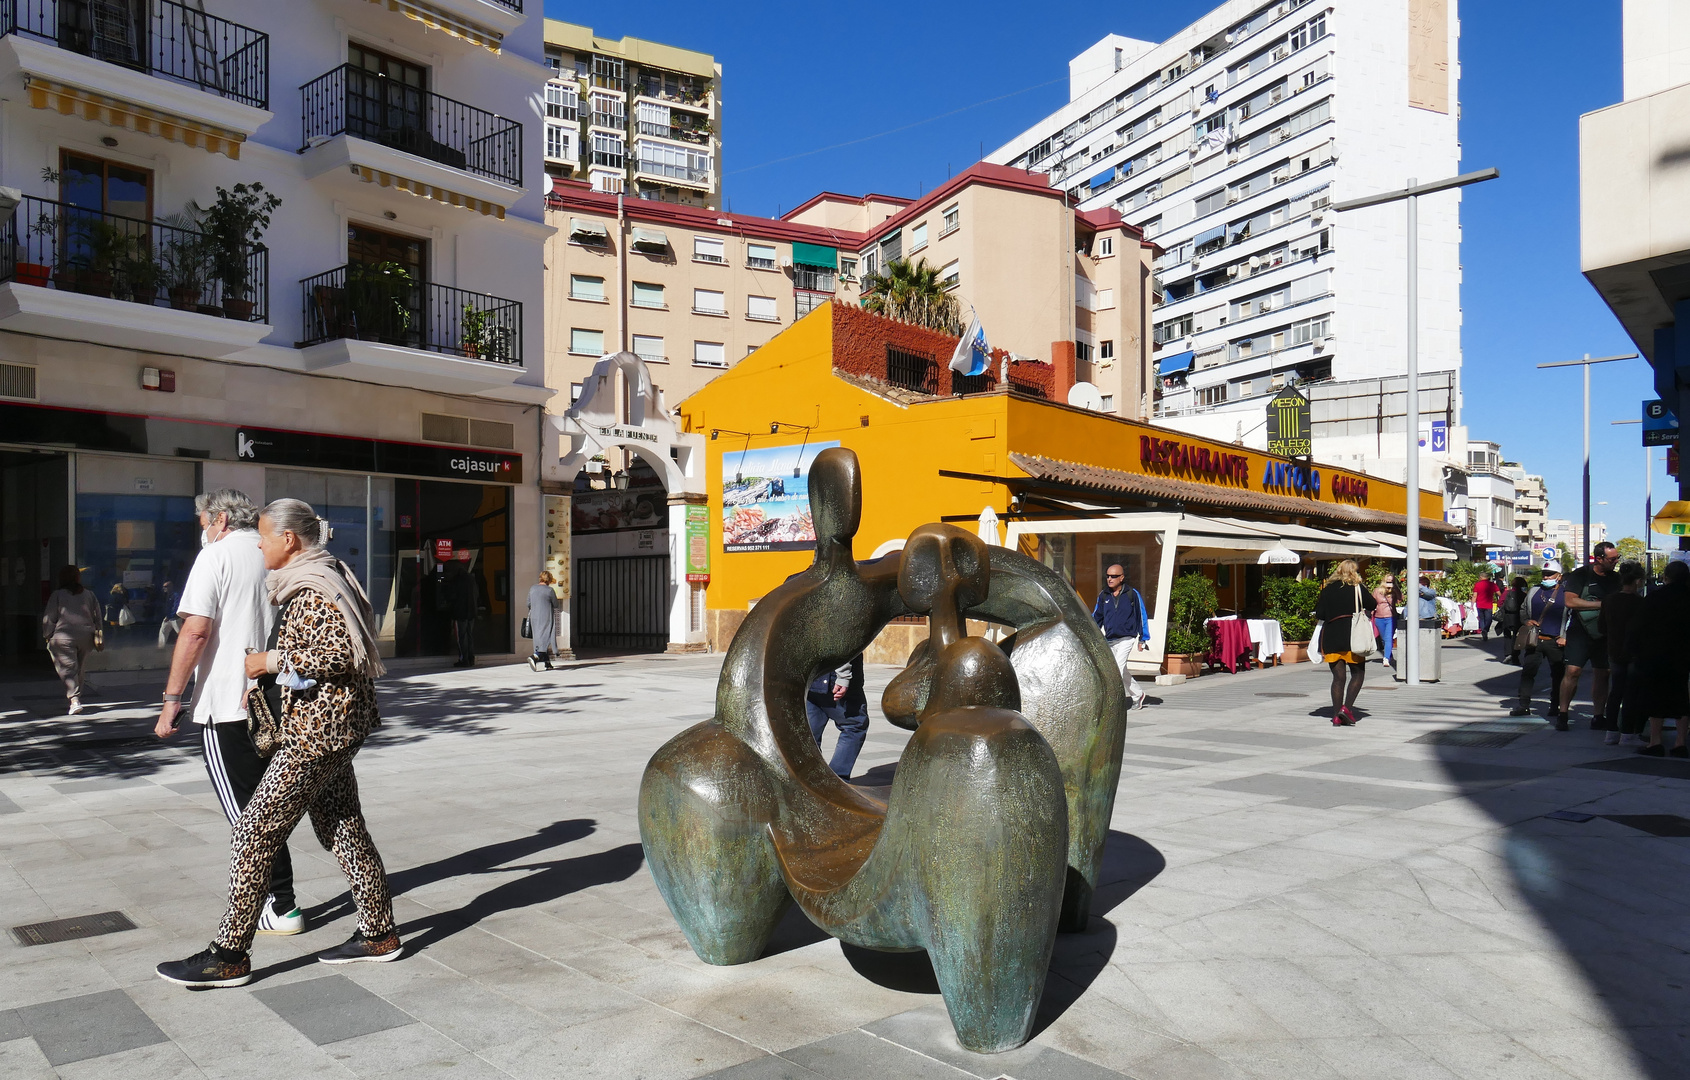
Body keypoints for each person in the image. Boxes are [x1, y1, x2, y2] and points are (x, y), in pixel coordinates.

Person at [157, 499, 400, 988]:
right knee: (343, 827)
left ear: (289, 540)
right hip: (337, 728)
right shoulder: (327, 572)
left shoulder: (311, 587)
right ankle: (379, 933)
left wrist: (268, 662)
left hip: (315, 734)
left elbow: (336, 653)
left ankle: (229, 955)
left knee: (254, 832)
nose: (260, 544)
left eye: (265, 537)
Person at [154, 490, 301, 936]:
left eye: (202, 521)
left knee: (247, 814)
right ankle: (282, 900)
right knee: (264, 805)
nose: (202, 530)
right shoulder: (270, 551)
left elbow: (196, 630)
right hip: (272, 699)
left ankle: (278, 903)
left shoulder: (216, 556)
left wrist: (171, 699)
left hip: (226, 703)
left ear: (219, 518)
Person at [1557, 541, 1620, 728]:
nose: (1615, 561)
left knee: (1603, 674)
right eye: (1612, 558)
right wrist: (1600, 604)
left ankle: (1598, 716)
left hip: (1605, 633)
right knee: (1573, 671)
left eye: (1617, 557)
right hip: (1580, 631)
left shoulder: (1616, 579)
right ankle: (1563, 713)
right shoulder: (1581, 575)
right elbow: (1570, 601)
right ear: (1599, 558)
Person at [1632, 559, 1690, 757]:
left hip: (1655, 655)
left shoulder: (1655, 598)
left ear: (1666, 577)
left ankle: (1655, 742)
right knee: (1682, 697)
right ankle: (1680, 742)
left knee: (1654, 696)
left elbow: (1639, 627)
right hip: (1683, 656)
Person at [41, 565, 103, 715]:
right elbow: (98, 617)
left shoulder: (57, 595)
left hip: (63, 637)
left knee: (68, 669)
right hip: (86, 637)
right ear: (77, 577)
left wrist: (47, 635)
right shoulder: (89, 595)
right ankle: (76, 698)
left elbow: (50, 617)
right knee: (79, 669)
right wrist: (98, 633)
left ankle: (74, 700)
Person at [1314, 560, 1369, 726]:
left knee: (1338, 677)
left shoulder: (1328, 589)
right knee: (1358, 674)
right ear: (1354, 572)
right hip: (1353, 636)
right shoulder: (1358, 588)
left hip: (1332, 636)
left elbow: (1320, 613)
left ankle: (1336, 716)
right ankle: (1346, 709)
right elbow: (1372, 604)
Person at [1513, 562, 1569, 723]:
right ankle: (1523, 704)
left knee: (1558, 675)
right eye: (1544, 573)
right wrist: (1526, 620)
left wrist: (1564, 636)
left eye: (1550, 574)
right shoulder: (1534, 591)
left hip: (1556, 641)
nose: (1546, 576)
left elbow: (1571, 615)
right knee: (1528, 672)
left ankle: (1556, 705)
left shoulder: (1566, 593)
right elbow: (1523, 609)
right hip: (1535, 639)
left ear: (1559, 576)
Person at [1598, 561, 1646, 746]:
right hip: (1635, 652)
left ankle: (1611, 731)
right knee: (1631, 693)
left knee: (1615, 691)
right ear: (1638, 581)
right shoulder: (1640, 603)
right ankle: (1628, 732)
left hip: (1614, 650)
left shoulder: (1609, 600)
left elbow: (1601, 627)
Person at [1092, 563, 1150, 710]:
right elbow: (1096, 617)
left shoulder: (1132, 594)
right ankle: (1138, 695)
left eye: (1114, 576)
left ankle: (1113, 703)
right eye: (1108, 576)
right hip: (1110, 639)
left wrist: (1143, 638)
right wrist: (1091, 634)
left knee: (1116, 669)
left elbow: (1141, 616)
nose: (1110, 579)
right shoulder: (1104, 595)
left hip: (1127, 637)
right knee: (1121, 670)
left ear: (1122, 577)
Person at [806, 652, 869, 779]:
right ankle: (835, 781)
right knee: (855, 725)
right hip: (834, 678)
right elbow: (842, 641)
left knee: (809, 732)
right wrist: (843, 676)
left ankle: (810, 780)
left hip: (813, 675)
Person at [443, 556, 477, 668]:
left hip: (460, 612)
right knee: (469, 635)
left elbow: (451, 596)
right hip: (471, 611)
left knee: (461, 637)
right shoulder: (471, 579)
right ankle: (471, 658)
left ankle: (464, 659)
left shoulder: (456, 580)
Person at [526, 570, 560, 671]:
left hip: (535, 618)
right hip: (546, 617)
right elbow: (556, 604)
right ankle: (535, 656)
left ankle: (548, 664)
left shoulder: (532, 588)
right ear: (549, 579)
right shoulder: (549, 590)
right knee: (546, 638)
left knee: (539, 639)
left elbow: (528, 603)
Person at [1498, 575, 1529, 664]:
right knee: (1517, 637)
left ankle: (1507, 654)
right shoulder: (1524, 595)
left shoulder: (1507, 593)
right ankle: (1515, 656)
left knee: (1507, 636)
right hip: (1518, 618)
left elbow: (1500, 603)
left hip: (1507, 617)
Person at [1371, 576, 1396, 667]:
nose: (1389, 583)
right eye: (1387, 581)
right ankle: (1389, 655)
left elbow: (1400, 598)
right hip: (1379, 617)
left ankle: (1386, 658)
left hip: (1390, 617)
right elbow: (1372, 602)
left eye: (1391, 581)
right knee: (1383, 639)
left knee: (1388, 637)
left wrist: (1394, 590)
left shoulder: (1394, 591)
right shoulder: (1377, 591)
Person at [1473, 571, 1503, 640]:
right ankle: (1485, 630)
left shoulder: (1477, 584)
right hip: (1488, 605)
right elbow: (1498, 593)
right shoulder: (1492, 584)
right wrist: (1501, 599)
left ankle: (1484, 630)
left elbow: (1474, 595)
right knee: (1489, 619)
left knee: (1482, 619)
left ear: (1481, 577)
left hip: (1479, 604)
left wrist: (1472, 604)